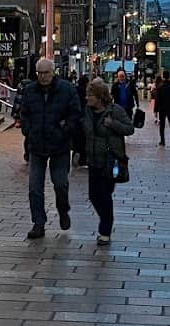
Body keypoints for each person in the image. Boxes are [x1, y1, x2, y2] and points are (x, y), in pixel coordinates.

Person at [18, 57, 82, 240]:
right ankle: (38, 223)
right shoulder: (30, 90)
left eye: (46, 73)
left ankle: (63, 211)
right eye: (40, 73)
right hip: (37, 145)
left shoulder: (67, 89)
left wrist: (65, 130)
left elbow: (75, 113)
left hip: (59, 146)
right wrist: (28, 130)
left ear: (53, 72)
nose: (43, 77)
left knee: (60, 183)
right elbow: (25, 113)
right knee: (34, 187)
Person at [83, 77, 134, 245]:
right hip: (93, 160)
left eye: (90, 95)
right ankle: (105, 220)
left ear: (99, 96)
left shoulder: (115, 111)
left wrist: (113, 124)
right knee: (93, 195)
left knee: (104, 196)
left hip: (110, 161)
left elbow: (130, 128)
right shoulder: (88, 111)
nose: (87, 98)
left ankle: (105, 230)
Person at [156, 70, 170, 148]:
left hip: (162, 108)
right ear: (169, 77)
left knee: (162, 125)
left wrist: (157, 108)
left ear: (163, 76)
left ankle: (162, 141)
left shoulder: (160, 87)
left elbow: (157, 99)